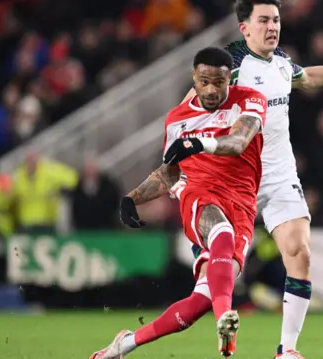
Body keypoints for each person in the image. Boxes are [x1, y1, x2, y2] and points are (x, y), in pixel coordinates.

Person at [179, 1, 323, 358]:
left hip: (278, 174)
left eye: (275, 20)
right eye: (263, 20)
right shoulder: (230, 64)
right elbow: (189, 111)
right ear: (244, 27)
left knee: (300, 253)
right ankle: (169, 334)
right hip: (234, 178)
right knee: (218, 279)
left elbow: (307, 78)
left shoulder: (281, 62)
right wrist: (184, 168)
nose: (272, 27)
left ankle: (287, 351)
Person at [89, 47, 268, 359]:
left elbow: (238, 142)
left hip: (242, 204)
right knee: (220, 233)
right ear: (193, 79)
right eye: (204, 82)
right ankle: (225, 319)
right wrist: (134, 198)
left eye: (219, 83)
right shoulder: (177, 120)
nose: (212, 90)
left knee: (199, 302)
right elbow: (170, 173)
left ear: (230, 79)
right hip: (199, 194)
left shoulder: (249, 100)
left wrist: (198, 142)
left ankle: (124, 345)